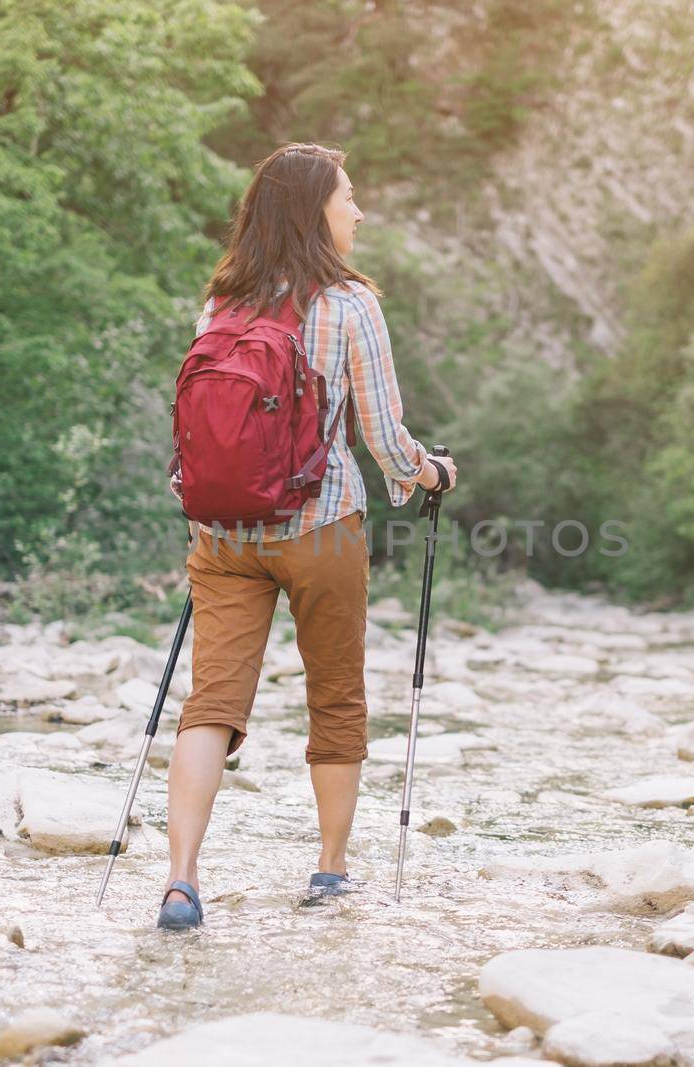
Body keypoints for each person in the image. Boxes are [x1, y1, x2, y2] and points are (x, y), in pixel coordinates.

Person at [157, 143, 459, 930]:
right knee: (336, 695)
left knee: (211, 704)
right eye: (348, 197)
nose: (358, 211)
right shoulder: (350, 303)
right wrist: (432, 475)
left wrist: (203, 507)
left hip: (222, 532)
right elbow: (386, 440)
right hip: (321, 526)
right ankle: (330, 870)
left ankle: (181, 881)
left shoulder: (222, 304)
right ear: (314, 210)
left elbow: (195, 431)